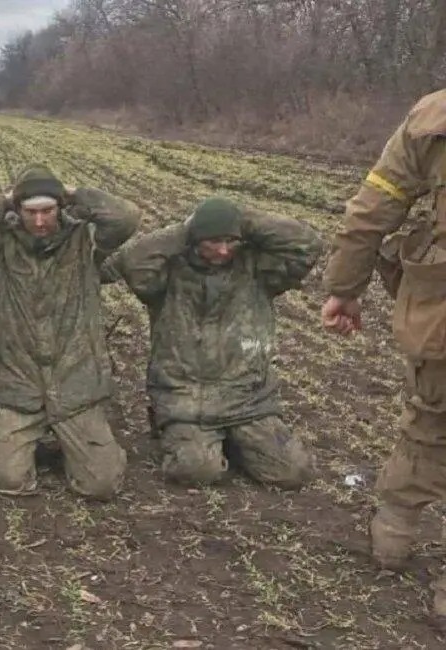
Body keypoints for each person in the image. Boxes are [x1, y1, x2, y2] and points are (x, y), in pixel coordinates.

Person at [319, 88, 446, 618]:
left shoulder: (434, 113)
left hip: (439, 307)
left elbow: (373, 208)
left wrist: (345, 287)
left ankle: (392, 531)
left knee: (428, 415)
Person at [0, 164, 140, 500]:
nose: (39, 221)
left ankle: (80, 443)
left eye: (47, 210)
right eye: (29, 211)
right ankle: (22, 441)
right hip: (19, 386)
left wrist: (75, 193)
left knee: (102, 485)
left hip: (75, 385)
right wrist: (4, 198)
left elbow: (126, 218)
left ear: (60, 207)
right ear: (17, 211)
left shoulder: (86, 244)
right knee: (6, 480)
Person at [106, 196, 323, 488]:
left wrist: (239, 217)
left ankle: (234, 440)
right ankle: (184, 435)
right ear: (195, 239)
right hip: (185, 398)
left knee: (294, 473)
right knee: (196, 472)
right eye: (212, 242)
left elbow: (307, 244)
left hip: (247, 398)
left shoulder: (259, 269)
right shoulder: (167, 274)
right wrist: (190, 226)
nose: (223, 250)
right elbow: (131, 261)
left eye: (230, 241)